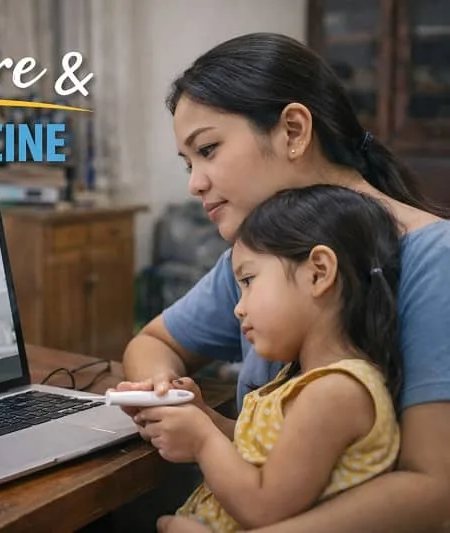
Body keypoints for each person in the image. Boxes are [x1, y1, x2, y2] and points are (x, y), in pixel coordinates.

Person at [119, 33, 450, 533]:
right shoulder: (259, 260)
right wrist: (167, 393)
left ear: (293, 130)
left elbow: (434, 490)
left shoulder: (435, 259)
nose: (195, 183)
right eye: (189, 163)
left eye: (208, 149)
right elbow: (154, 341)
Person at [138, 184, 403, 532]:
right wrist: (206, 419)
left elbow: (264, 508)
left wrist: (203, 440)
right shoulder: (304, 381)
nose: (238, 307)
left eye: (249, 280)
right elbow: (262, 452)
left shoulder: (336, 393)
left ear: (319, 272)